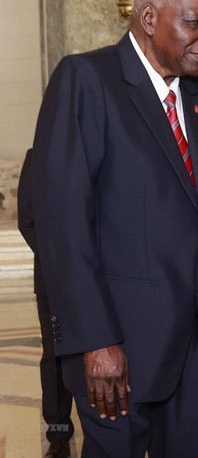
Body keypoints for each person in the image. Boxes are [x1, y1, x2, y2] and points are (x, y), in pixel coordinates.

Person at [30, 0, 198, 457]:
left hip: (193, 344)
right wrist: (95, 341)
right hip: (117, 346)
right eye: (195, 23)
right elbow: (64, 227)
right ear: (147, 17)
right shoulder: (87, 79)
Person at [18, 149, 74, 458]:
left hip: (98, 279)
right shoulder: (36, 157)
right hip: (53, 283)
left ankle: (103, 427)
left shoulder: (93, 147)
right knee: (55, 355)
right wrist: (61, 262)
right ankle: (59, 433)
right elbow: (27, 220)